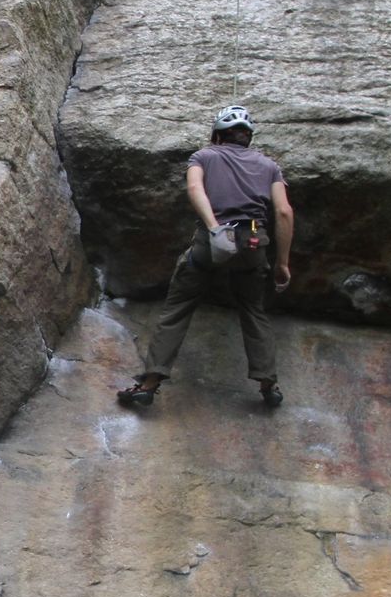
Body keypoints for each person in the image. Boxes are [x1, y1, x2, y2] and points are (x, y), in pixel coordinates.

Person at [119, 104, 295, 408]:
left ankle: (148, 384)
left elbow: (194, 187)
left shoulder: (203, 156)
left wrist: (215, 229)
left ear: (217, 136)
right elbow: (283, 211)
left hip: (211, 243)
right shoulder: (270, 166)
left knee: (178, 308)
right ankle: (269, 385)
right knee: (253, 310)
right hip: (253, 243)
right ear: (248, 137)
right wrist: (282, 263)